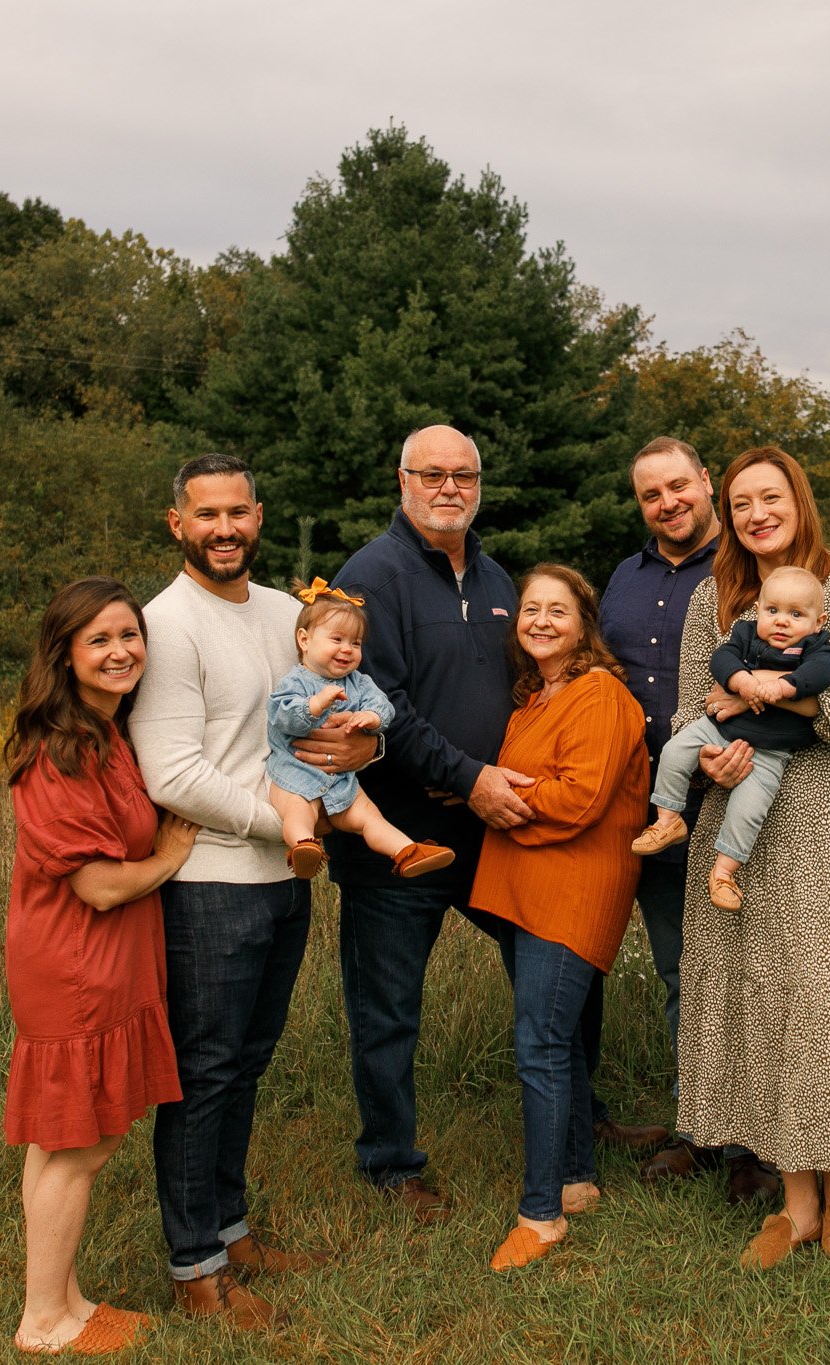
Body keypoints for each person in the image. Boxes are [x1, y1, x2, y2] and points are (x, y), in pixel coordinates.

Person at [602, 436, 830, 1203]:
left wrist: (756, 699)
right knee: (762, 995)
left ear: (798, 499)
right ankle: (787, 1188)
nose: (755, 513)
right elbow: (688, 707)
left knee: (828, 995)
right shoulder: (716, 598)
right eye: (742, 504)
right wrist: (708, 758)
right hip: (741, 828)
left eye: (769, 497)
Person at [126, 455, 367, 1329]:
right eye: (205, 514)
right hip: (210, 888)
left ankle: (230, 1231)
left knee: (248, 1063)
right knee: (204, 1072)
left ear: (258, 516)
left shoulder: (287, 616)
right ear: (176, 522)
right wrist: (297, 826)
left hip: (285, 883)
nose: (223, 528)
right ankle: (195, 1266)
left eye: (238, 512)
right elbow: (176, 773)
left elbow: (333, 714)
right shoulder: (168, 625)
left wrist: (357, 759)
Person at [322, 424, 525, 1218]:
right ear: (401, 480)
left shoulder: (498, 577)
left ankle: (579, 1115)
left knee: (554, 966)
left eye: (465, 475)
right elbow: (385, 710)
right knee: (386, 1006)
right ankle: (391, 1161)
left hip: (490, 831)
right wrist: (469, 776)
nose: (450, 488)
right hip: (399, 837)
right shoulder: (371, 576)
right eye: (432, 474)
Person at [1, 576, 200, 1356]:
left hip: (96, 956)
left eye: (129, 635)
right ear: (66, 654)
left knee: (58, 1140)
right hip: (77, 959)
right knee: (82, 1142)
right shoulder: (62, 748)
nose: (121, 651)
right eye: (99, 640)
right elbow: (99, 884)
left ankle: (62, 1297)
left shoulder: (105, 731)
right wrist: (172, 854)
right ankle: (43, 1320)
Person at [466, 565, 650, 1271]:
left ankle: (539, 1216)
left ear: (584, 624)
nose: (540, 620)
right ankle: (576, 1180)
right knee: (561, 1037)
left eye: (558, 610)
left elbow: (580, 800)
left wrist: (507, 808)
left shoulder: (600, 693)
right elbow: (538, 790)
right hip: (527, 888)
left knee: (538, 1044)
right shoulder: (534, 701)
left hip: (574, 891)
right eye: (530, 609)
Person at [633, 564, 830, 911]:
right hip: (718, 727)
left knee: (748, 810)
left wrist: (784, 686)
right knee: (675, 750)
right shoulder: (746, 634)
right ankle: (667, 820)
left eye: (796, 614)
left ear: (818, 622)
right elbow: (723, 658)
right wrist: (744, 682)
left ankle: (724, 873)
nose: (781, 621)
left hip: (771, 751)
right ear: (758, 609)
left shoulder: (818, 650)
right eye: (772, 610)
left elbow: (821, 675)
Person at [264, 580, 456, 881]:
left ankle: (407, 852)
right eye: (337, 639)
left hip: (342, 783)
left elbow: (384, 706)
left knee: (369, 817)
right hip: (294, 775)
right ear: (304, 640)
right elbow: (281, 716)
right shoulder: (296, 682)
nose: (347, 650)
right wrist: (315, 705)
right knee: (298, 812)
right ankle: (304, 845)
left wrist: (370, 717)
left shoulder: (359, 682)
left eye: (356, 643)